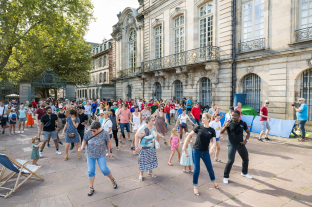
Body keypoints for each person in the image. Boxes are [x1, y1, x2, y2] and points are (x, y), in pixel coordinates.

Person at [183, 113, 218, 196]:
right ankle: (195, 186)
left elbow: (214, 142)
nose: (202, 119)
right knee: (197, 170)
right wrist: (184, 146)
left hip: (205, 152)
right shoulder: (199, 127)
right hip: (196, 151)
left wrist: (212, 147)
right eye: (202, 118)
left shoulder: (212, 130)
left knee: (210, 168)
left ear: (208, 119)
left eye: (204, 118)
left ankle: (213, 180)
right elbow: (189, 135)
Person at [78, 121, 117, 196]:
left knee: (104, 169)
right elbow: (84, 140)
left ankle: (112, 179)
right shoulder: (88, 132)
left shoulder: (105, 133)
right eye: (91, 130)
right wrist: (82, 147)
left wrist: (109, 152)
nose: (92, 132)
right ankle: (91, 187)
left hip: (100, 154)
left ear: (99, 129)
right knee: (90, 170)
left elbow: (108, 142)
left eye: (94, 131)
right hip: (90, 154)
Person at [221, 110, 252, 184]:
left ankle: (244, 173)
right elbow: (221, 132)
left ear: (239, 116)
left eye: (234, 116)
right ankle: (226, 176)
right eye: (232, 115)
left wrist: (246, 141)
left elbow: (248, 132)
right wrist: (225, 126)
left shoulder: (243, 123)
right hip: (232, 144)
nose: (233, 117)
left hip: (241, 144)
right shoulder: (228, 122)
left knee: (246, 159)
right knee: (230, 160)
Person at [134, 115, 167, 181]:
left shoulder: (153, 127)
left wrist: (162, 136)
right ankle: (141, 174)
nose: (154, 122)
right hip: (144, 148)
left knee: (151, 160)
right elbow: (136, 136)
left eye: (154, 120)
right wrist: (136, 146)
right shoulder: (143, 128)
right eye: (152, 121)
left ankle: (150, 172)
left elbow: (156, 133)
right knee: (143, 162)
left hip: (151, 147)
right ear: (148, 121)